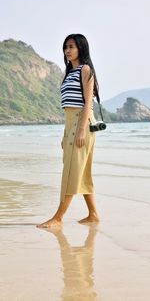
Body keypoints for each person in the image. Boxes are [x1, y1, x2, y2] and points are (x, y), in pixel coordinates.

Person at [37, 33, 100, 228]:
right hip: (70, 124)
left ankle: (58, 217)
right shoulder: (68, 73)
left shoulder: (85, 70)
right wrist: (66, 134)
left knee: (71, 172)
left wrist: (81, 130)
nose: (68, 50)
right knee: (82, 172)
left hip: (83, 123)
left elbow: (88, 102)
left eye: (72, 46)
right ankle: (93, 214)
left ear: (81, 48)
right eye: (66, 47)